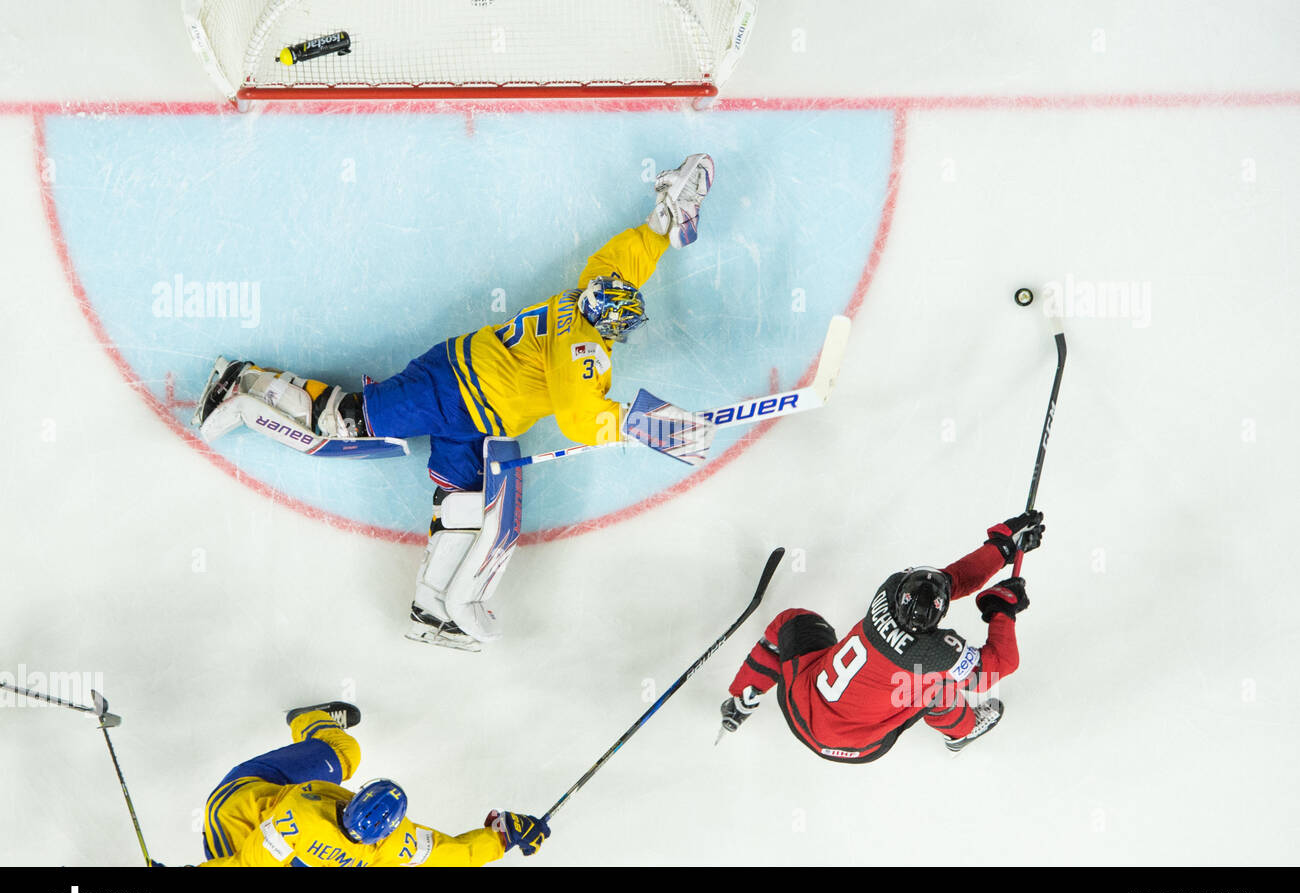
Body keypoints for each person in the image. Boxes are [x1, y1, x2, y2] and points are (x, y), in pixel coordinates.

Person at [191, 155, 718, 652]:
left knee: (462, 508)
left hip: (477, 415)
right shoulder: (582, 349)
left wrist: (660, 228)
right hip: (452, 390)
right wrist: (649, 425)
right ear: (609, 325)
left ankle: (430, 613)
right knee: (344, 420)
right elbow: (582, 419)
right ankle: (242, 381)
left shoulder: (589, 290)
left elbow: (623, 261)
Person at [718, 511, 1045, 761]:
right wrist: (1002, 610)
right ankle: (961, 732)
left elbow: (949, 579)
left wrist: (1002, 547)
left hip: (800, 706)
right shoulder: (936, 654)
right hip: (859, 744)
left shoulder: (890, 590)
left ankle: (741, 699)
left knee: (792, 622)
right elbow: (998, 666)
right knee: (936, 686)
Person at [200, 701, 548, 867]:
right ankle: (309, 721)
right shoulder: (395, 843)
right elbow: (451, 855)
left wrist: (501, 836)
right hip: (246, 803)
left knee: (345, 752)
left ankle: (318, 734)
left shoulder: (299, 823)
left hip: (236, 824)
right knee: (344, 751)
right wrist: (501, 838)